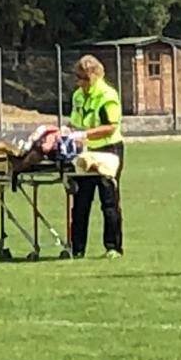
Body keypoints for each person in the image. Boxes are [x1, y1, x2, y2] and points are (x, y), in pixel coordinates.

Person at [66, 55, 124, 259]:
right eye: (77, 77)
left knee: (108, 200)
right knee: (81, 201)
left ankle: (113, 247)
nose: (79, 82)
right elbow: (74, 122)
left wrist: (85, 134)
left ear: (94, 76)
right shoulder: (78, 96)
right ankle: (77, 248)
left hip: (108, 150)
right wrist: (70, 132)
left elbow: (111, 127)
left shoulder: (108, 95)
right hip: (84, 152)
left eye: (83, 78)